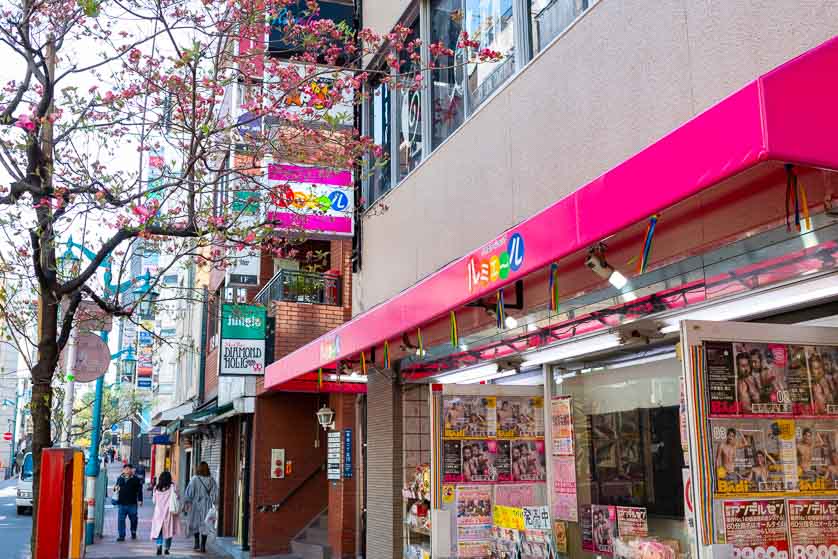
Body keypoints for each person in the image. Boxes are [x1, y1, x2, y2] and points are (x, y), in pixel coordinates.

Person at [184, 461, 218, 553]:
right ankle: (203, 545)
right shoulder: (211, 480)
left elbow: (189, 492)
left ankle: (196, 543)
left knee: (195, 523)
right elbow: (215, 494)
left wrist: (187, 501)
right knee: (205, 525)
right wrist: (213, 501)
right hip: (207, 505)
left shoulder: (194, 479)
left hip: (196, 504)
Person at [151, 471, 178, 556]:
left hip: (158, 513)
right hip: (168, 513)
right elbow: (177, 497)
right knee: (168, 531)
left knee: (159, 531)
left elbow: (154, 501)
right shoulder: (172, 487)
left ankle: (159, 546)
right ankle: (167, 549)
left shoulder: (156, 488)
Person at [114, 463, 144, 542]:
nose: (126, 470)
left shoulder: (136, 479)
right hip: (121, 503)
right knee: (121, 520)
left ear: (131, 470)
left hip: (132, 503)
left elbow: (139, 491)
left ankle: (133, 531)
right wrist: (115, 488)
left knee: (134, 519)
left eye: (128, 469)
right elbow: (116, 488)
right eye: (125, 469)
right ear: (123, 470)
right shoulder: (119, 478)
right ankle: (121, 535)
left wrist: (140, 500)